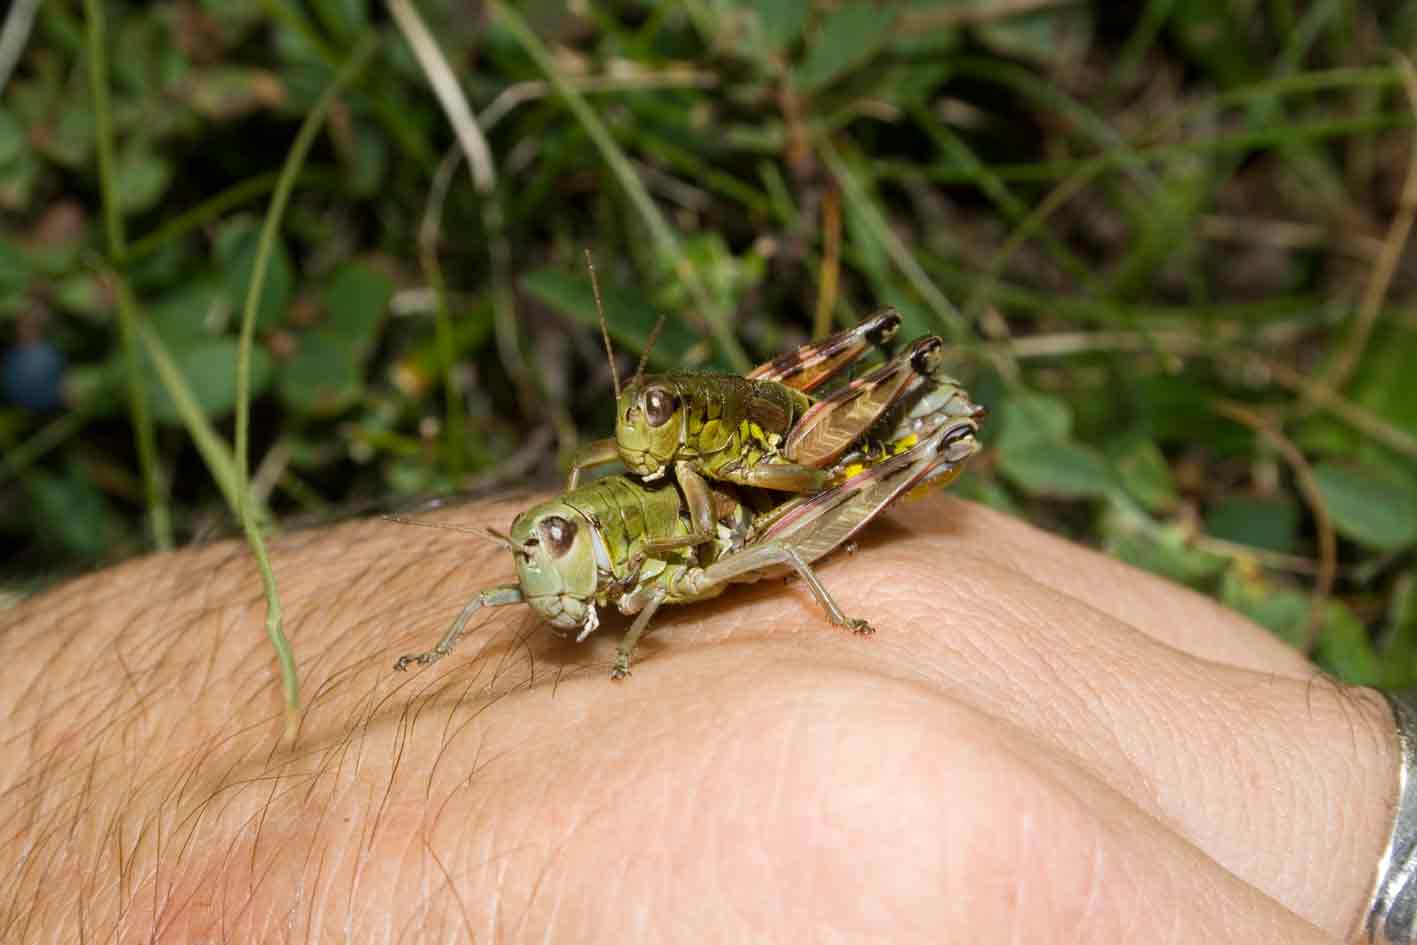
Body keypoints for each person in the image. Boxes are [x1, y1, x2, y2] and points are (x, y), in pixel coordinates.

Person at [0, 494, 1400, 943]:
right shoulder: (561, 558)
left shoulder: (659, 559)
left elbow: (772, 553)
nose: (534, 575)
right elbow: (510, 590)